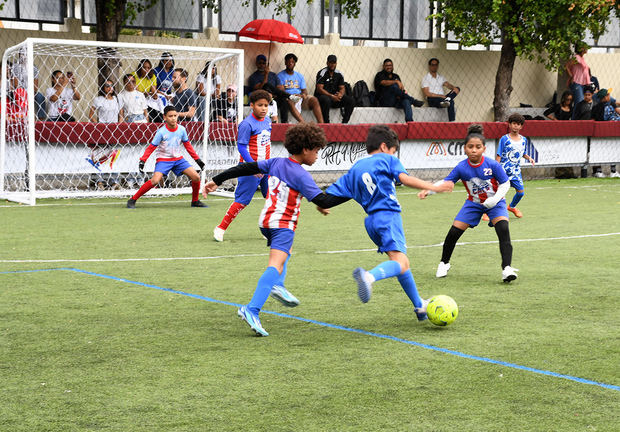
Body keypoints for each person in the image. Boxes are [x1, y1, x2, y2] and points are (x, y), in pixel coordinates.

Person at [202, 123, 347, 336]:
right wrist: (354, 191)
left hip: (266, 222)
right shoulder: (301, 175)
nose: (318, 156)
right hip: (282, 225)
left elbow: (246, 168)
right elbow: (324, 199)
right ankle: (251, 309)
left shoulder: (276, 162)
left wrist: (216, 180)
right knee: (275, 264)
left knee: (283, 255)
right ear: (306, 150)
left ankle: (278, 285)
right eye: (316, 151)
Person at [322, 125, 451, 320]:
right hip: (388, 216)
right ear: (384, 147)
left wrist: (321, 205)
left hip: (371, 222)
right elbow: (405, 179)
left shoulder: (356, 168)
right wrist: (434, 187)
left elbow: (331, 197)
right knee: (399, 262)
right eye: (393, 150)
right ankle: (369, 276)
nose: (393, 154)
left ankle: (419, 306)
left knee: (402, 263)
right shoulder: (388, 159)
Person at [418, 124, 519, 283]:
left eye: (478, 147)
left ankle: (507, 269)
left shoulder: (492, 164)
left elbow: (505, 184)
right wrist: (428, 189)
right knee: (453, 233)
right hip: (473, 203)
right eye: (470, 147)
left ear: (484, 149)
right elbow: (447, 182)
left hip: (496, 202)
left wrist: (494, 199)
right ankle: (444, 263)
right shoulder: (461, 167)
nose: (474, 150)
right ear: (464, 148)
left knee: (503, 229)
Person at [212, 90, 271, 242]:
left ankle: (266, 229)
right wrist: (253, 167)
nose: (263, 108)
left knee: (272, 197)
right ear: (252, 106)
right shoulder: (246, 124)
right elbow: (242, 147)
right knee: (242, 201)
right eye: (260, 105)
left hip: (266, 167)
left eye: (266, 105)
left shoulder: (268, 121)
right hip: (250, 168)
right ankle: (221, 228)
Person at [126, 105, 207, 209]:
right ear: (164, 117)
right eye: (170, 116)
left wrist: (198, 160)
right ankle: (133, 199)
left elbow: (188, 146)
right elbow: (151, 148)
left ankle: (195, 201)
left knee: (196, 177)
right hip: (163, 160)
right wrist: (142, 161)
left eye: (175, 115)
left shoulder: (182, 129)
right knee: (155, 181)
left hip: (178, 160)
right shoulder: (161, 132)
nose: (173, 118)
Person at [493, 113, 535, 219]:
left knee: (520, 192)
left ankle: (512, 207)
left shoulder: (524, 140)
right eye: (514, 123)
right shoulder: (504, 139)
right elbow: (499, 155)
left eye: (518, 124)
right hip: (503, 171)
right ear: (509, 125)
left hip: (515, 172)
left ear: (521, 126)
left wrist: (529, 158)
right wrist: (496, 169)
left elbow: (522, 153)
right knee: (498, 193)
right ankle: (487, 211)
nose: (516, 126)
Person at [88, 79, 121, 190]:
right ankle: (99, 180)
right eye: (107, 86)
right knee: (99, 154)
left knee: (114, 154)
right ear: (103, 88)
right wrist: (97, 125)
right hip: (102, 128)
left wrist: (119, 126)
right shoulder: (99, 100)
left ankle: (114, 180)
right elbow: (90, 114)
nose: (109, 88)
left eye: (111, 86)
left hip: (114, 128)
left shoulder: (117, 99)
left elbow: (121, 114)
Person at [277, 53, 324, 123]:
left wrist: (302, 95)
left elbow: (304, 90)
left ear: (295, 63)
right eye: (288, 61)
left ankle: (322, 124)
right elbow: (282, 91)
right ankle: (303, 123)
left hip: (300, 97)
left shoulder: (299, 76)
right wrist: (293, 96)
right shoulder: (280, 75)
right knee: (289, 100)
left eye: (292, 62)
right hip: (289, 97)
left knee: (314, 100)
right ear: (285, 62)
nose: (290, 63)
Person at [374, 58, 424, 123]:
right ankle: (413, 101)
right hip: (385, 101)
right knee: (393, 86)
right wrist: (396, 82)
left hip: (396, 100)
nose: (389, 67)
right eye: (387, 66)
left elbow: (400, 89)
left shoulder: (396, 76)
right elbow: (383, 82)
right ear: (383, 66)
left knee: (406, 101)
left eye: (390, 65)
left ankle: (410, 122)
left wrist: (402, 93)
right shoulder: (380, 75)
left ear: (393, 66)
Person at [247, 54, 293, 118]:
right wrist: (266, 75)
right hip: (262, 98)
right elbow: (258, 89)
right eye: (260, 63)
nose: (262, 65)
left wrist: (276, 93)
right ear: (256, 64)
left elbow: (278, 88)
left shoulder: (273, 75)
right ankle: (289, 96)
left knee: (284, 100)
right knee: (266, 85)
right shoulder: (253, 77)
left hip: (274, 97)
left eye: (263, 63)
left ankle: (284, 122)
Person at [314, 54, 354, 124]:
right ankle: (326, 124)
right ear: (327, 63)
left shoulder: (339, 74)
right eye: (331, 63)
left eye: (334, 63)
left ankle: (344, 123)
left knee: (351, 101)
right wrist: (331, 96)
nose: (332, 64)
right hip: (322, 98)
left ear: (336, 63)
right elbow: (319, 89)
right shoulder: (322, 73)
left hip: (335, 98)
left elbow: (342, 88)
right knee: (326, 100)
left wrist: (340, 95)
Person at [590, 88, 620, 178]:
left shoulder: (595, 107)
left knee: (599, 150)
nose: (609, 96)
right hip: (610, 132)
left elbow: (592, 120)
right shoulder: (609, 106)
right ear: (604, 97)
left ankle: (599, 171)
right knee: (612, 150)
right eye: (608, 95)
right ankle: (612, 171)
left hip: (600, 133)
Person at [421, 58, 460, 122]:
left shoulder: (440, 77)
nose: (434, 67)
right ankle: (452, 122)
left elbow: (448, 85)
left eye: (436, 65)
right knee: (451, 102)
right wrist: (440, 96)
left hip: (442, 98)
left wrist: (454, 88)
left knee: (457, 88)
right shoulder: (426, 78)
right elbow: (427, 93)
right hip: (433, 99)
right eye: (432, 65)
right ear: (429, 66)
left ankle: (447, 100)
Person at [565, 43, 590, 115]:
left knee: (581, 103)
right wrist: (571, 76)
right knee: (579, 102)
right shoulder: (576, 57)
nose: (586, 48)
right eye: (585, 47)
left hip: (583, 84)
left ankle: (577, 120)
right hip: (577, 83)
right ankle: (574, 121)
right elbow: (566, 66)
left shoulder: (582, 58)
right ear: (581, 48)